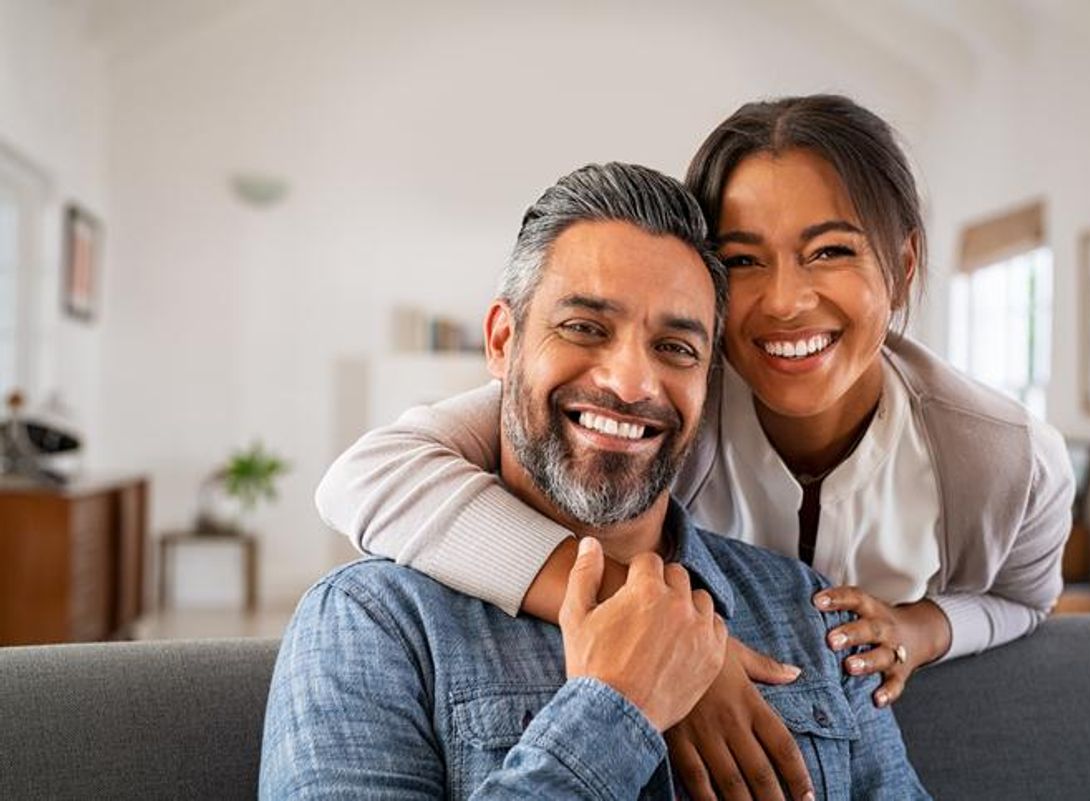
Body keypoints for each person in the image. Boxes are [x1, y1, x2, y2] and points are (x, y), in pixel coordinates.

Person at [316, 95, 1073, 798]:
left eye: (831, 250)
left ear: (902, 266)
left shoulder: (964, 481)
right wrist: (644, 661)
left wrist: (919, 627)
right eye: (743, 260)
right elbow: (370, 475)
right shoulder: (379, 624)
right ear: (503, 341)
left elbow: (1023, 599)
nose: (783, 301)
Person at [261, 162, 930, 799]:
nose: (631, 382)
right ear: (502, 341)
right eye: (584, 327)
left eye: (676, 348)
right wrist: (615, 710)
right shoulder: (373, 623)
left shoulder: (810, 614)